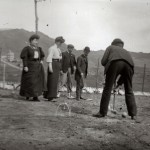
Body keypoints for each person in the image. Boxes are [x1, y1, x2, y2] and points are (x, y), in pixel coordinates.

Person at [93, 38, 137, 120]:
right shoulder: (126, 51)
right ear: (121, 45)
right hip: (130, 66)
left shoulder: (110, 47)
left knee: (107, 88)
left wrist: (112, 74)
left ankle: (102, 112)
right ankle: (133, 114)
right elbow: (125, 72)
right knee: (129, 90)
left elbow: (103, 62)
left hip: (115, 63)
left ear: (113, 43)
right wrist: (119, 83)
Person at [20, 34, 45, 101]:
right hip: (29, 66)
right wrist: (25, 66)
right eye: (35, 40)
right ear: (31, 41)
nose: (36, 42)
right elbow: (24, 58)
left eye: (37, 40)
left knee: (36, 82)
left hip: (37, 67)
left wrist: (41, 61)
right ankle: (27, 95)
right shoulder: (27, 48)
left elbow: (42, 56)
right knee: (29, 82)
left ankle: (35, 96)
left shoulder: (39, 49)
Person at [45, 36, 65, 101]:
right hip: (53, 64)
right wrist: (50, 67)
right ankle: (50, 96)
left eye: (61, 42)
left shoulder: (58, 49)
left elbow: (60, 58)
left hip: (57, 64)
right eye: (60, 42)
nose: (61, 44)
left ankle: (53, 95)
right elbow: (49, 58)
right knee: (52, 80)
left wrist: (60, 68)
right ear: (57, 42)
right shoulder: (52, 48)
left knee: (55, 81)